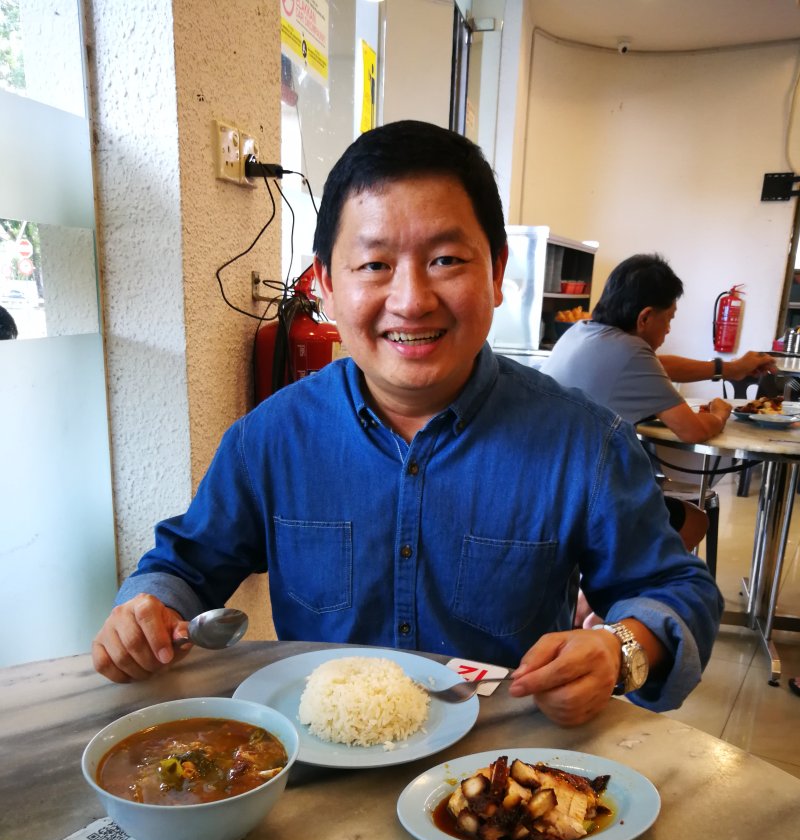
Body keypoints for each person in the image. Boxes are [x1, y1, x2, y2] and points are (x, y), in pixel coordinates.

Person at [93, 120, 722, 729]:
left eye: (447, 259)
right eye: (374, 265)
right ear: (326, 286)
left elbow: (677, 589)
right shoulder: (271, 439)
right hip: (317, 765)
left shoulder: (584, 445)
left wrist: (621, 652)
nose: (412, 299)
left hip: (499, 779)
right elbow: (184, 566)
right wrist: (146, 610)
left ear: (497, 273)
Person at [541, 253, 776, 549]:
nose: (668, 329)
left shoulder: (582, 332)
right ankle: (613, 590)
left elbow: (659, 364)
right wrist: (719, 412)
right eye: (669, 319)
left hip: (551, 486)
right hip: (585, 498)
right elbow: (693, 431)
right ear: (645, 317)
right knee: (695, 521)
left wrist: (728, 368)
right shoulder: (631, 353)